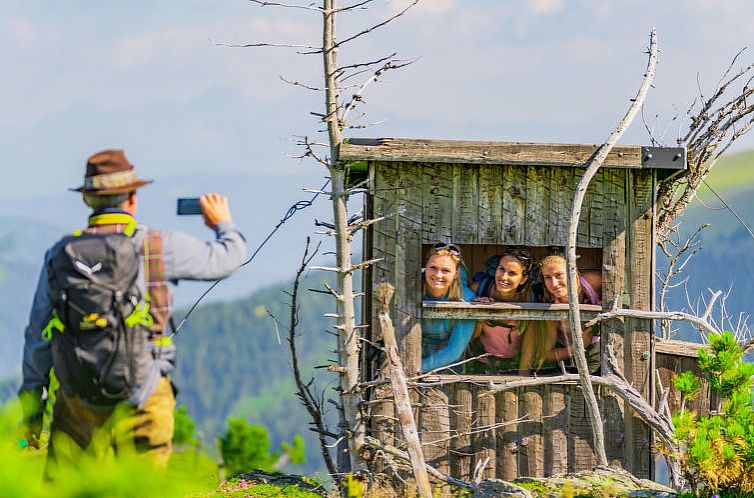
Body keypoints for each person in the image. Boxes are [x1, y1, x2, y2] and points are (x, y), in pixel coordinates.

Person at [18, 149, 247, 473]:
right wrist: (223, 222)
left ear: (87, 200)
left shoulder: (60, 255)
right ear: (132, 198)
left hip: (77, 393)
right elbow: (229, 258)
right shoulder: (157, 245)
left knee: (74, 491)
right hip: (146, 388)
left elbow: (38, 337)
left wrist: (31, 412)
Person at [519, 254, 602, 374]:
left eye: (559, 275)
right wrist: (576, 347)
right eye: (547, 277)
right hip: (570, 353)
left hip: (601, 346)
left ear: (572, 272)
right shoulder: (551, 309)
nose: (554, 283)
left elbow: (616, 285)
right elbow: (546, 354)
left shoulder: (591, 282)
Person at [466, 248, 533, 374]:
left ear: (523, 279)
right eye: (501, 269)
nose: (503, 277)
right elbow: (467, 337)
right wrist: (480, 312)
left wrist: (523, 376)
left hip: (514, 366)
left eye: (512, 273)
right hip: (478, 365)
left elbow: (528, 345)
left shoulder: (529, 299)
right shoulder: (479, 289)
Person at [420, 243, 476, 373]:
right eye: (433, 268)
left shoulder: (466, 300)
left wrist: (414, 370)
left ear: (456, 274)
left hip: (448, 370)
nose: (438, 275)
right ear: (425, 268)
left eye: (446, 270)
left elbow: (454, 351)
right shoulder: (411, 289)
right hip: (409, 359)